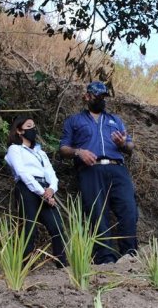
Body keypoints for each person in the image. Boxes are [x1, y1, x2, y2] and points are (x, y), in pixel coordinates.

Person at [59, 81, 138, 264]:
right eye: (97, 96)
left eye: (103, 96)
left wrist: (123, 144)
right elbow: (63, 148)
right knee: (96, 212)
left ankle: (130, 254)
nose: (101, 99)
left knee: (128, 209)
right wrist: (79, 152)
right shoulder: (74, 121)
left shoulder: (115, 120)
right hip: (90, 170)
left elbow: (131, 147)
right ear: (87, 96)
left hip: (117, 167)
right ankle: (105, 258)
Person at [4, 116, 67, 268]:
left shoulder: (41, 153)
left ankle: (62, 265)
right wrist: (42, 193)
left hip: (45, 188)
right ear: (19, 130)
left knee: (57, 227)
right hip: (27, 188)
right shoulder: (15, 149)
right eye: (29, 126)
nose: (33, 130)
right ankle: (25, 268)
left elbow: (51, 173)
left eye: (33, 127)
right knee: (28, 228)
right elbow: (22, 172)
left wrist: (51, 189)